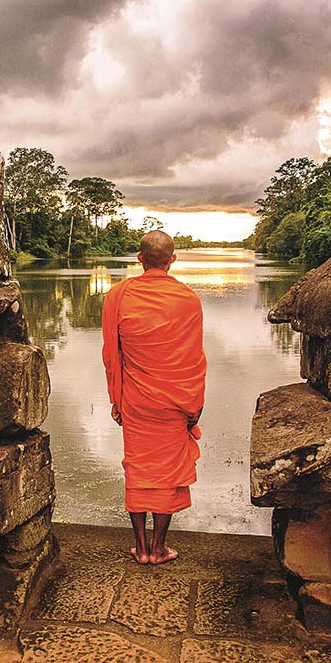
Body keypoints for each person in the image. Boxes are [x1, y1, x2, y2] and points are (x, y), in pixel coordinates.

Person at [101, 230, 206, 565]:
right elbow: (194, 359)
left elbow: (111, 355)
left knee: (139, 470)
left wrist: (117, 398)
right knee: (166, 476)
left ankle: (141, 547)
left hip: (136, 401)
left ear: (139, 258)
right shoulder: (189, 300)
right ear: (173, 260)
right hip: (175, 402)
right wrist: (195, 406)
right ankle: (159, 548)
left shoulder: (118, 295)